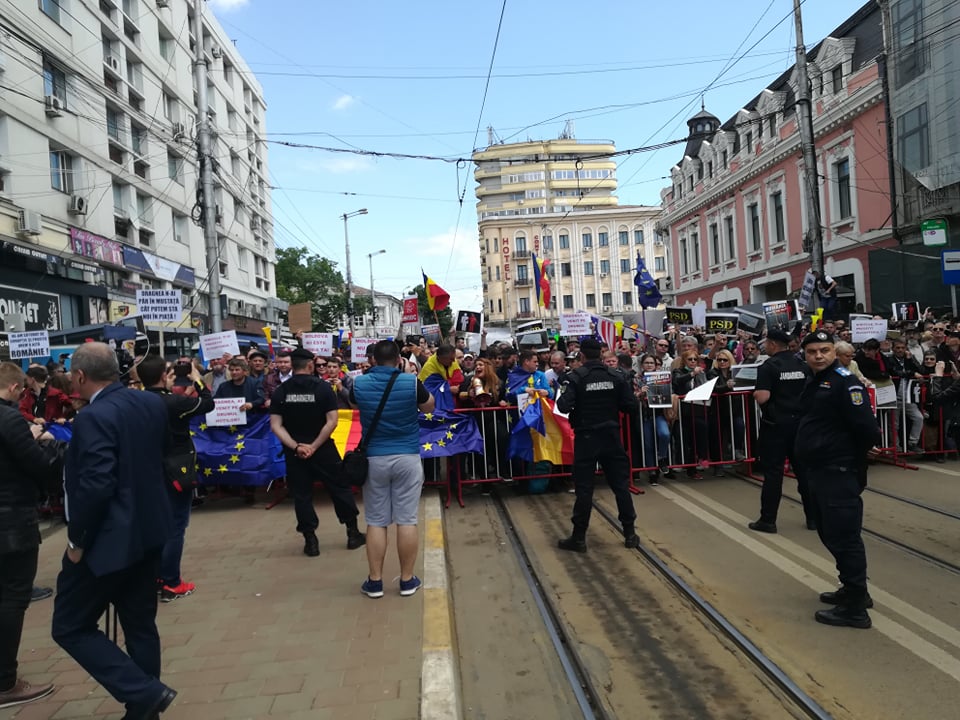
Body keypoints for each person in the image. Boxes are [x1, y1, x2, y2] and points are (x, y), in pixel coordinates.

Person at [51, 343, 178, 719]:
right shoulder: (150, 402)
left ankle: (145, 694)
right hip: (149, 529)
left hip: (107, 540)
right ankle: (145, 709)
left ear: (79, 376)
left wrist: (77, 541)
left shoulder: (93, 416)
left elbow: (96, 484)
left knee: (69, 625)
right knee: (140, 624)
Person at [794, 331, 881, 628]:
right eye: (812, 351)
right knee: (830, 532)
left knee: (845, 537)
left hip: (838, 470)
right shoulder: (816, 379)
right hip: (820, 469)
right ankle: (852, 589)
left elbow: (867, 428)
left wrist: (853, 459)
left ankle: (856, 608)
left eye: (824, 350)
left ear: (834, 352)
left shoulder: (845, 382)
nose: (818, 356)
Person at [351, 341, 435, 598]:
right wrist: (409, 376)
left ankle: (375, 581)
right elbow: (429, 406)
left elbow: (355, 405)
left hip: (375, 458)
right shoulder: (410, 382)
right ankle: (407, 580)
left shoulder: (359, 383)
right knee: (407, 520)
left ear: (373, 360)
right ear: (399, 359)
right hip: (407, 456)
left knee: (376, 521)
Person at [0, 363, 60, 710]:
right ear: (12, 388)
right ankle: (5, 682)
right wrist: (43, 444)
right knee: (13, 597)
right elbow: (39, 467)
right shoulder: (9, 420)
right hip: (11, 521)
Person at [269, 349, 365, 556]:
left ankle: (310, 540)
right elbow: (332, 421)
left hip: (295, 452)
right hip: (323, 449)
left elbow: (276, 425)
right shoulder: (323, 388)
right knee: (340, 489)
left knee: (301, 495)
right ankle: (353, 532)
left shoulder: (281, 391)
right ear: (310, 365)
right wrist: (314, 446)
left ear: (292, 365)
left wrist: (296, 446)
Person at [138, 354, 214, 602]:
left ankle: (154, 577)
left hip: (146, 470)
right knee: (175, 526)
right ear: (164, 376)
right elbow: (207, 403)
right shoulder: (174, 402)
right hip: (176, 469)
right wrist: (197, 378)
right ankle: (171, 582)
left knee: (153, 524)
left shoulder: (135, 401)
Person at [556, 339, 640, 552]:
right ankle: (630, 534)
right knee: (620, 485)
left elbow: (563, 406)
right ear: (601, 355)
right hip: (611, 436)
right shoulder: (616, 376)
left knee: (584, 489)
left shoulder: (575, 377)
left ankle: (579, 538)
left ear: (582, 356)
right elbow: (631, 406)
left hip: (586, 438)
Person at [748, 329, 815, 534]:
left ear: (773, 344)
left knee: (773, 474)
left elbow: (762, 396)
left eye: (766, 344)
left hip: (775, 426)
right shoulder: (803, 365)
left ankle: (768, 520)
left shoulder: (768, 366)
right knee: (804, 473)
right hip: (800, 425)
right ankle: (814, 518)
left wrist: (759, 399)